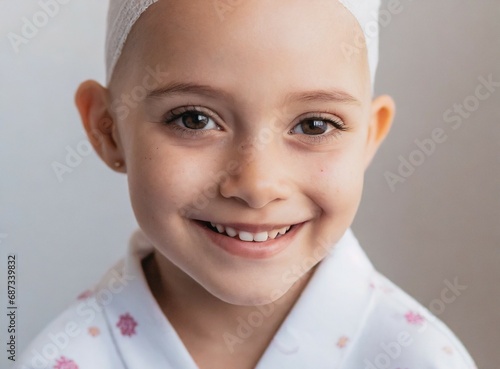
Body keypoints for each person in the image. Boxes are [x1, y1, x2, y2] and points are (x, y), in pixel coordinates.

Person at [16, 0, 477, 368]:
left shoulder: (423, 358)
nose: (257, 185)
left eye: (315, 125)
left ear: (368, 139)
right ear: (107, 129)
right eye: (194, 119)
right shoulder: (60, 358)